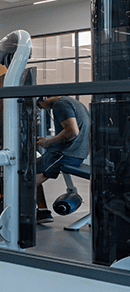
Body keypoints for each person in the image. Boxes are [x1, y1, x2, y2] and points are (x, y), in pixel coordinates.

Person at [34, 96, 90, 224]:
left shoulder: (60, 104)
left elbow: (72, 132)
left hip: (65, 154)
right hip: (75, 154)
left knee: (25, 180)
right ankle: (42, 212)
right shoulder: (73, 102)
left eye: (39, 104)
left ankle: (13, 215)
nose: (41, 108)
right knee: (30, 170)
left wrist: (48, 142)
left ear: (45, 97)